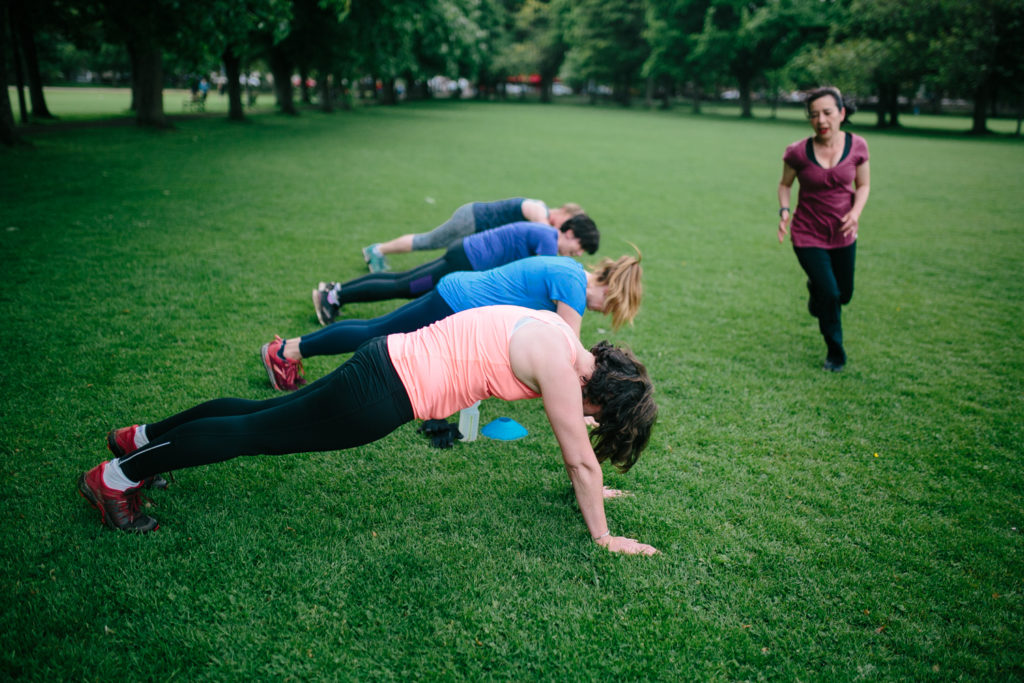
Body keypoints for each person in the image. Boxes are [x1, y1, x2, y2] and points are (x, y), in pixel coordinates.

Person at [78, 305, 659, 555]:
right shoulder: (559, 368)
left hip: (384, 362)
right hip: (383, 395)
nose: (593, 422)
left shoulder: (558, 334)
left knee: (258, 415)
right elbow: (579, 459)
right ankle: (114, 478)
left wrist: (594, 482)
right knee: (256, 432)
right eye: (603, 415)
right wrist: (604, 536)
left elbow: (578, 445)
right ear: (601, 394)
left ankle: (139, 438)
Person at [265, 253, 644, 391]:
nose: (598, 312)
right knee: (375, 331)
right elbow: (569, 355)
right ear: (608, 288)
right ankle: (286, 351)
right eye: (606, 307)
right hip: (457, 301)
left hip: (458, 295)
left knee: (378, 329)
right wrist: (585, 406)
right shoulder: (572, 285)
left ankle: (290, 350)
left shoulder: (569, 271)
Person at [313, 216, 600, 325]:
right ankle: (335, 295)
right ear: (571, 232)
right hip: (467, 262)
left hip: (466, 257)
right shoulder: (547, 240)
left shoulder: (545, 235)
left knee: (404, 282)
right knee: (405, 285)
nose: (577, 254)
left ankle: (336, 292)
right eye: (580, 247)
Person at [777, 86, 870, 372]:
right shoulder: (798, 152)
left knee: (844, 294)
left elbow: (863, 185)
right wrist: (784, 211)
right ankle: (835, 353)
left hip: (843, 233)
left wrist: (855, 213)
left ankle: (815, 290)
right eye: (814, 115)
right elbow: (785, 185)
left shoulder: (858, 146)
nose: (821, 120)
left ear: (841, 113)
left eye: (827, 113)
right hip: (807, 234)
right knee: (831, 295)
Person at [361, 198, 585, 272]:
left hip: (478, 230)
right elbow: (544, 233)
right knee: (428, 241)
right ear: (565, 212)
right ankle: (377, 250)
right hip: (472, 220)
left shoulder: (543, 211)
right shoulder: (540, 210)